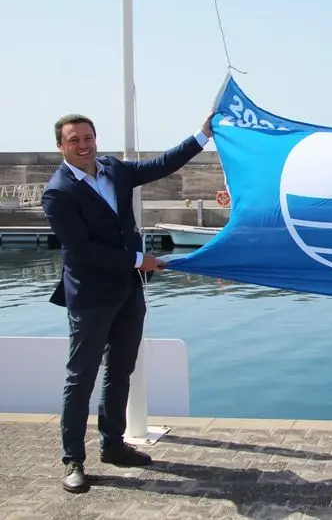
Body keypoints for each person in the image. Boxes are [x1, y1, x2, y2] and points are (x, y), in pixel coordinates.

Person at [41, 112, 214, 493]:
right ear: (61, 147)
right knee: (80, 377)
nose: (84, 145)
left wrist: (201, 136)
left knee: (120, 370)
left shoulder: (112, 170)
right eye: (75, 140)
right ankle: (73, 459)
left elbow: (159, 166)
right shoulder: (58, 192)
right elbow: (82, 251)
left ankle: (113, 445)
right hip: (90, 297)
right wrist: (140, 260)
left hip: (128, 290)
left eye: (89, 137)